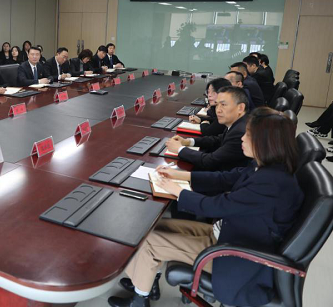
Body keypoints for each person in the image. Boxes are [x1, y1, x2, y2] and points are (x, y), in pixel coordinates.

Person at [108, 107, 303, 307]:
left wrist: (178, 191)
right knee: (150, 229)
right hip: (228, 233)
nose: (242, 138)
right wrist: (179, 175)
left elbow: (216, 206)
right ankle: (146, 282)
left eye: (248, 135)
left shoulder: (270, 184)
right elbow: (225, 178)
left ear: (265, 142)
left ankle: (139, 300)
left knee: (148, 243)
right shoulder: (268, 167)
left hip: (232, 254)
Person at [166, 86, 252, 171]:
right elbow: (218, 140)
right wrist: (187, 141)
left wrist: (179, 149)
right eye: (217, 105)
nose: (218, 110)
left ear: (240, 108)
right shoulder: (239, 122)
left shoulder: (240, 132)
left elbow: (209, 161)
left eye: (223, 105)